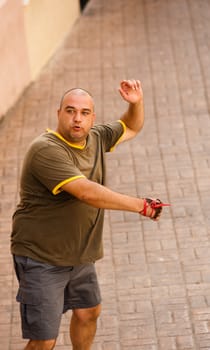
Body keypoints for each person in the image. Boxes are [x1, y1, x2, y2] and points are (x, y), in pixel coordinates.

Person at [11, 79, 166, 350]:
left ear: (93, 118)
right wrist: (141, 205)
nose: (77, 119)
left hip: (79, 255)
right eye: (70, 111)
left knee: (88, 312)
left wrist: (136, 103)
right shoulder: (45, 150)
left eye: (84, 113)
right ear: (58, 113)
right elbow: (86, 192)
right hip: (41, 257)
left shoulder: (95, 136)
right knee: (44, 340)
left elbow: (131, 126)